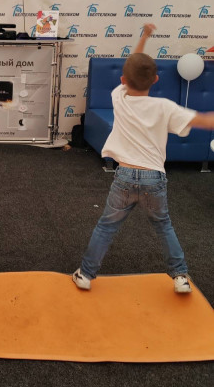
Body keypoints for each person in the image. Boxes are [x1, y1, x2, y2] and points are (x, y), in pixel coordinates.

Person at [73, 23, 214, 294]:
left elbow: (132, 65)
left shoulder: (119, 97)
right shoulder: (165, 107)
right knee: (163, 226)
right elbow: (204, 121)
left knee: (106, 227)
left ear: (123, 80)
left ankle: (85, 275)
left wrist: (145, 36)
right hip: (154, 179)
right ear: (156, 80)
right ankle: (180, 277)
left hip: (124, 176)